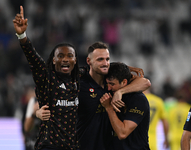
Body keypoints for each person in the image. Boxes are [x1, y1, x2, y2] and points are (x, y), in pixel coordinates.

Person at [37, 41, 151, 150]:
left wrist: (119, 92)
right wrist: (38, 112)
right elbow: (52, 98)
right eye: (100, 59)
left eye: (107, 59)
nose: (105, 63)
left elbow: (145, 82)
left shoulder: (111, 82)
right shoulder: (79, 82)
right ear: (88, 61)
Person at [13, 6, 80, 150]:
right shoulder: (46, 77)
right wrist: (22, 36)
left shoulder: (81, 79)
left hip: (73, 146)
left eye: (70, 56)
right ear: (53, 60)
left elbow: (105, 70)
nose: (65, 59)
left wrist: (129, 71)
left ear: (75, 60)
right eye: (60, 56)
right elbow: (32, 57)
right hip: (49, 145)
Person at [100, 62, 150, 150]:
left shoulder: (137, 99)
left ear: (124, 82)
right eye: (107, 84)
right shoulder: (111, 93)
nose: (108, 88)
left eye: (112, 84)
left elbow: (122, 133)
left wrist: (109, 108)